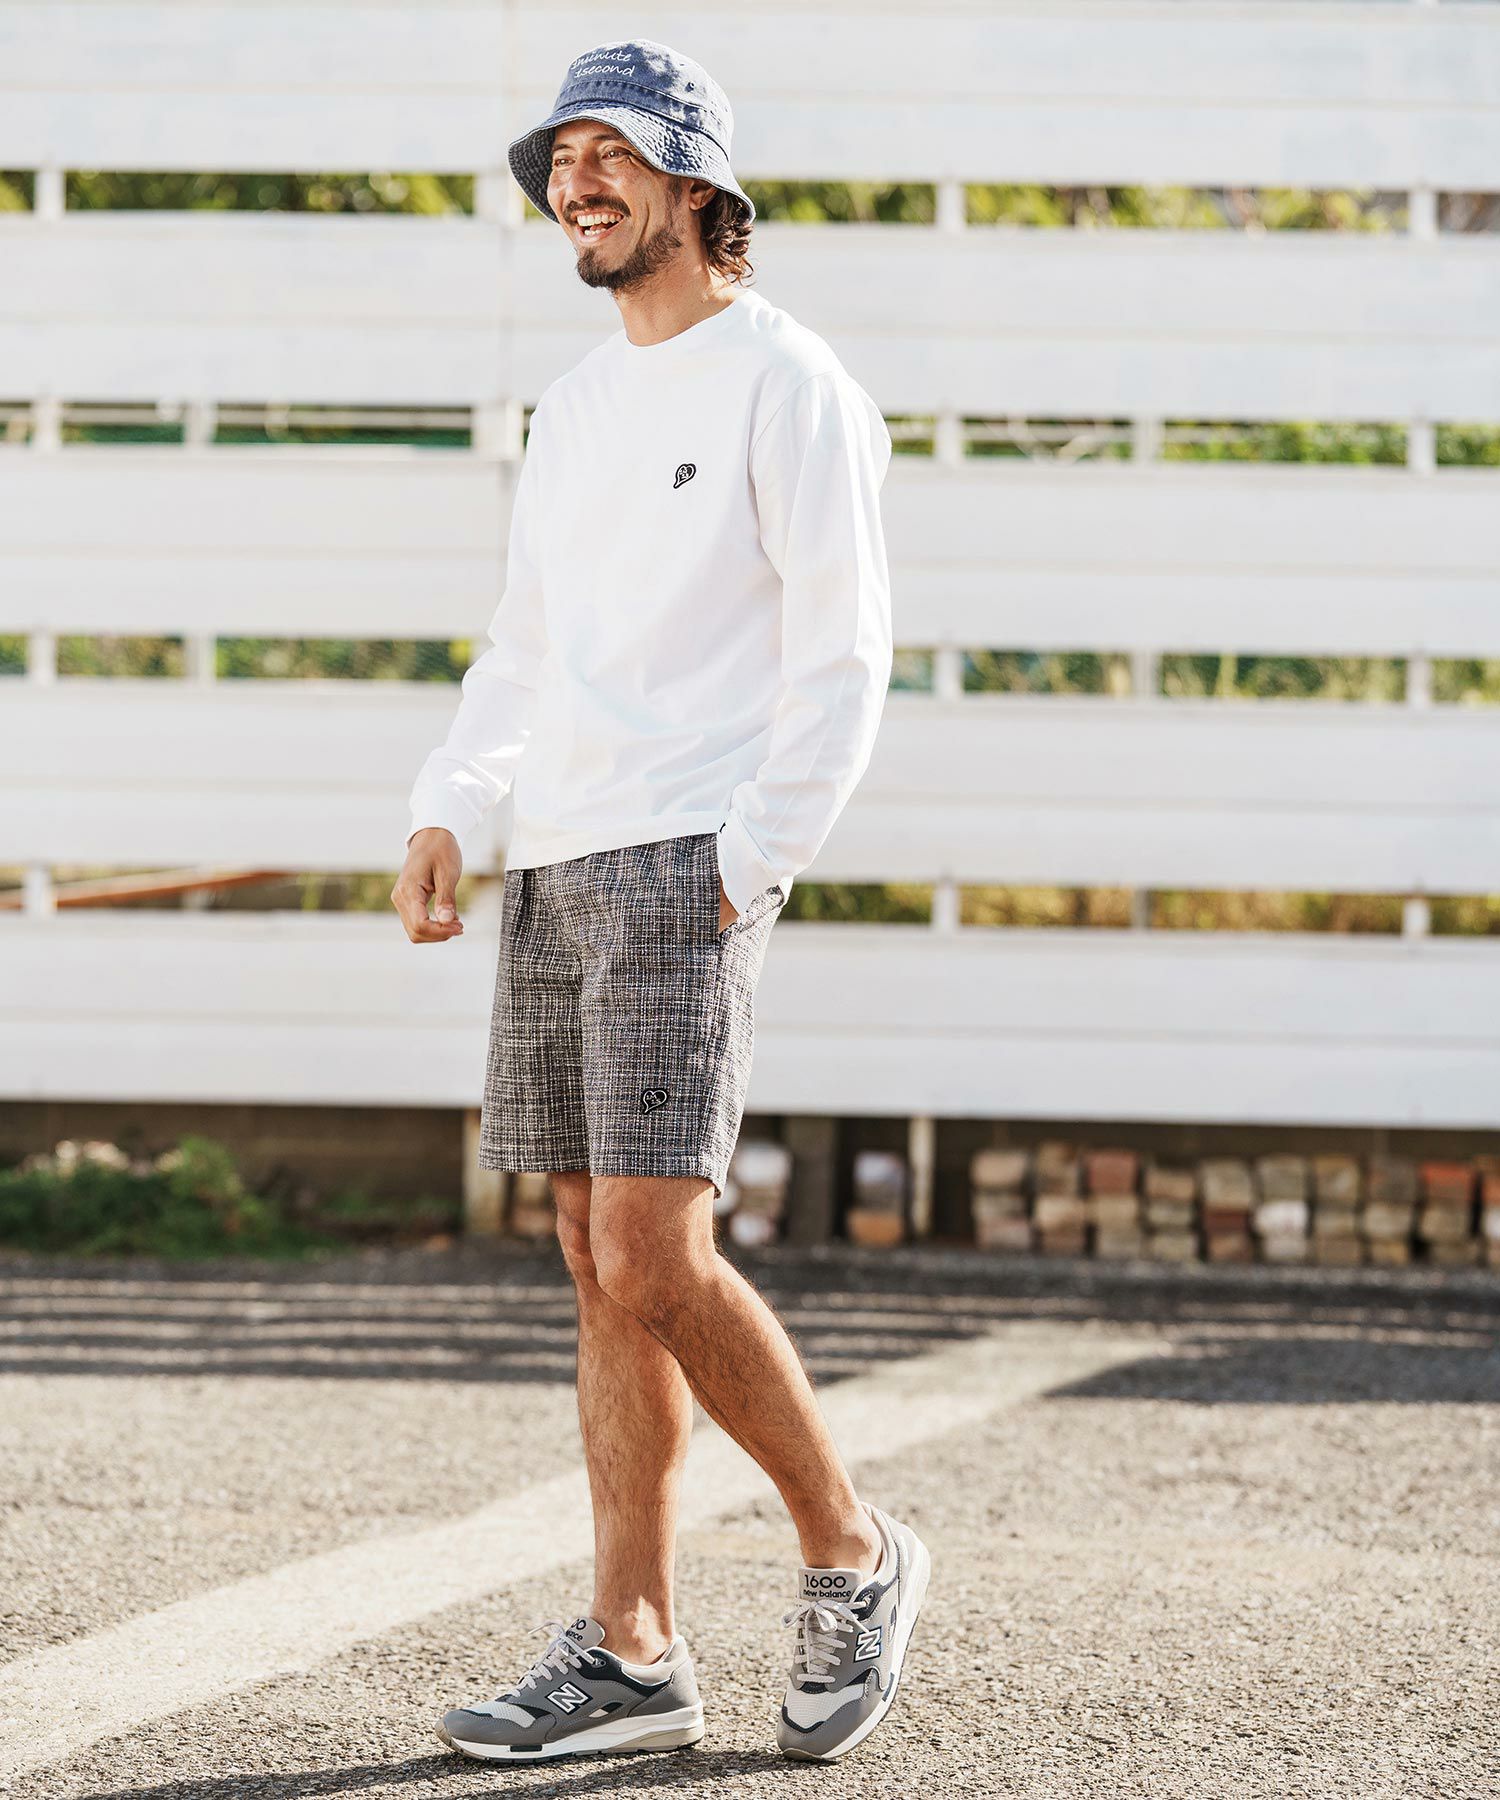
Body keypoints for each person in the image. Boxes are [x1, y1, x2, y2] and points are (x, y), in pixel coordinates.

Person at [391, 37, 929, 1767]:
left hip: (689, 855)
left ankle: (852, 1548)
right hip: (559, 856)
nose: (578, 182)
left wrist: (749, 859)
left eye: (611, 153)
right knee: (589, 1258)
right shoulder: (575, 405)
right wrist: (452, 806)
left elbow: (844, 653)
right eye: (561, 160)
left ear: (698, 184)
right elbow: (526, 645)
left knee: (651, 1248)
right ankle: (633, 1647)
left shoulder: (789, 380)